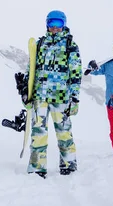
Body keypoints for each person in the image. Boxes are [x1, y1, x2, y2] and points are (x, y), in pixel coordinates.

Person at [17, 10, 82, 179]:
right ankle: (37, 166)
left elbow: (76, 73)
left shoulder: (70, 45)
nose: (54, 27)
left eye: (58, 24)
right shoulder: (40, 44)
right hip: (40, 96)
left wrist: (74, 98)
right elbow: (31, 68)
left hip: (61, 96)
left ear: (64, 25)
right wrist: (26, 89)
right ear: (47, 24)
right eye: (52, 23)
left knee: (64, 132)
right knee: (38, 132)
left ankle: (68, 164)